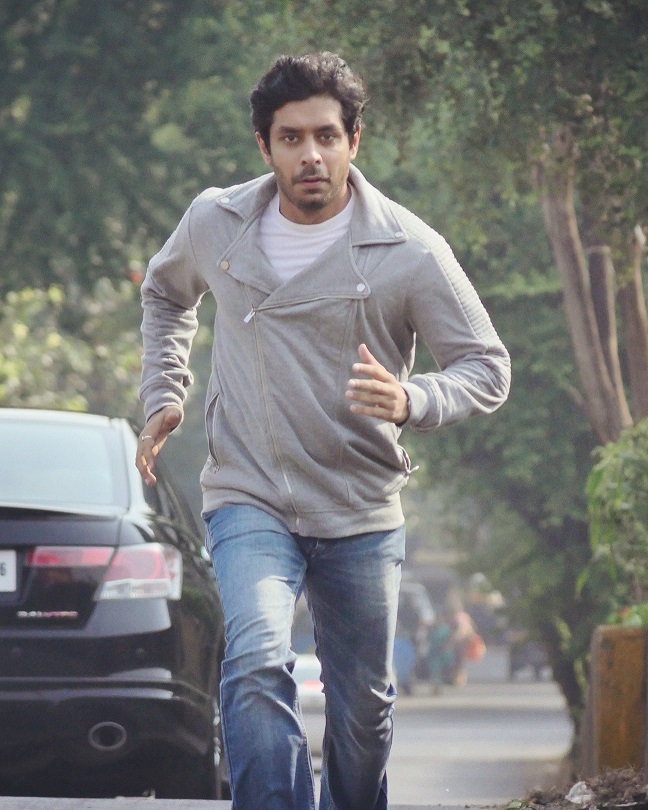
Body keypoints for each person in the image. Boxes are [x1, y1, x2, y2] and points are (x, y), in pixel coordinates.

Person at [135, 52, 510, 810]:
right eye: (292, 138)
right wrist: (164, 392)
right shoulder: (216, 223)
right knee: (254, 661)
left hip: (359, 507)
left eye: (327, 136)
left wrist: (412, 398)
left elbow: (486, 367)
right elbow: (166, 294)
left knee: (363, 712)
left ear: (353, 142)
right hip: (249, 493)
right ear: (264, 146)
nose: (311, 155)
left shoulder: (408, 248)